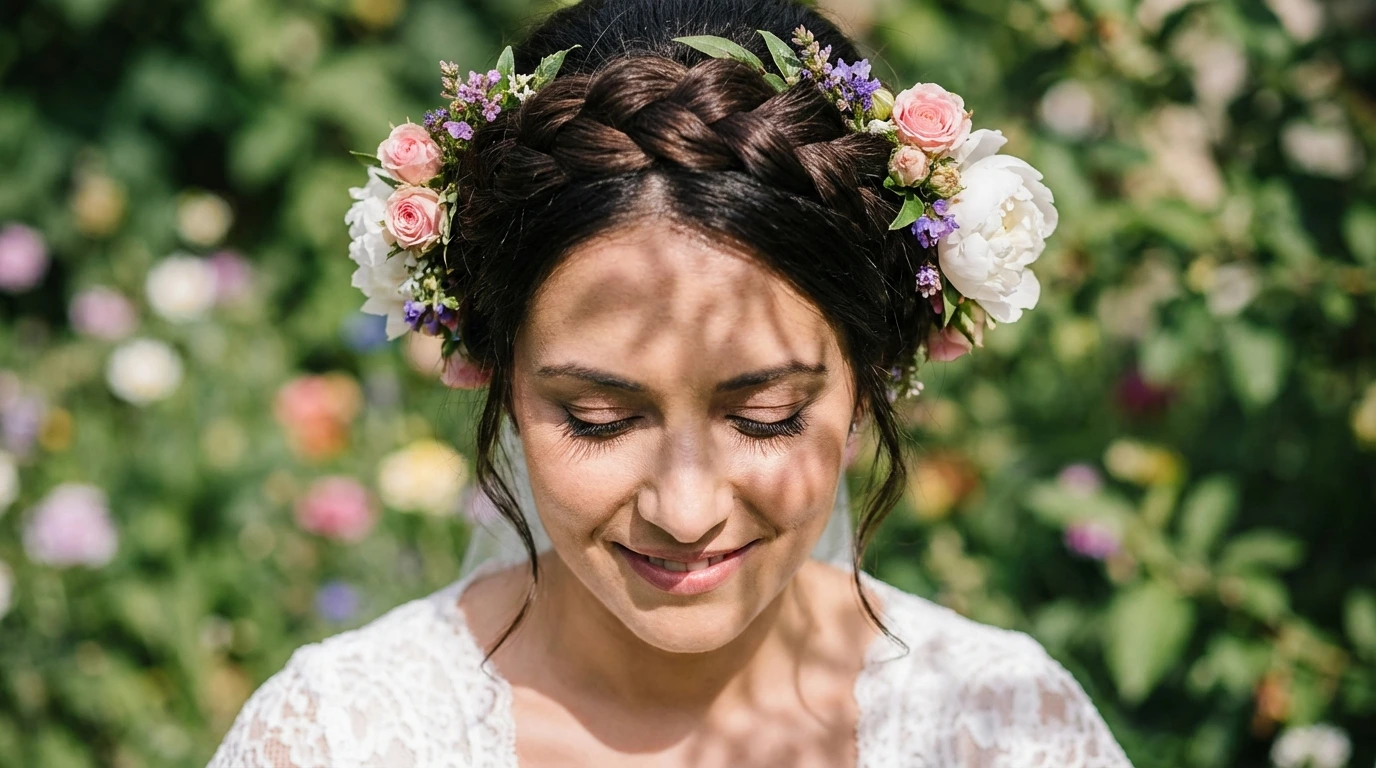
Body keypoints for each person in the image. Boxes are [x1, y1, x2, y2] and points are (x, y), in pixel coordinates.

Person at [210, 0, 1131, 765]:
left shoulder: (1003, 728)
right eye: (600, 419)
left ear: (873, 372)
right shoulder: (340, 738)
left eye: (765, 417)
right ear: (492, 371)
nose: (685, 512)